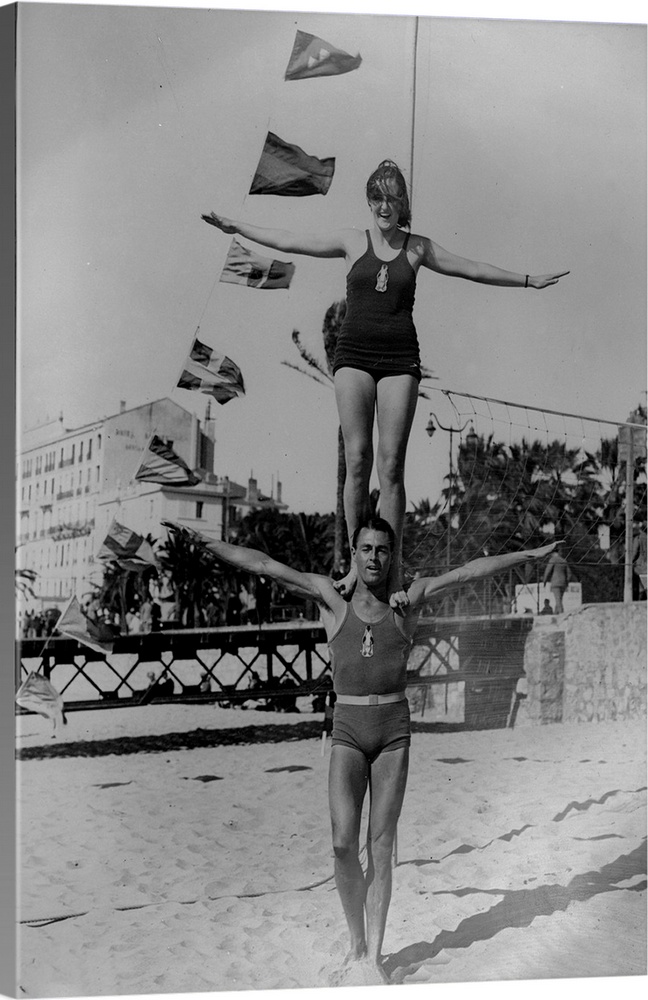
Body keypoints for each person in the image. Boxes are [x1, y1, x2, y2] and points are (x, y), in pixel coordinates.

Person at [163, 517, 558, 985]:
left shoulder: (406, 603)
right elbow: (266, 565)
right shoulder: (332, 600)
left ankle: (372, 956)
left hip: (393, 730)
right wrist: (203, 541)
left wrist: (529, 557)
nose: (374, 558)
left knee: (382, 844)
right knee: (341, 843)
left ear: (392, 557)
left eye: (383, 551)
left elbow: (469, 572)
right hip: (348, 728)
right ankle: (355, 943)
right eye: (366, 549)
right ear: (355, 553)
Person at [203, 160, 568, 594]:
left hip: (399, 360)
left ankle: (390, 565)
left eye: (393, 197)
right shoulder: (351, 241)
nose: (384, 205)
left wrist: (528, 280)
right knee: (357, 460)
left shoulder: (418, 248)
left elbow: (471, 268)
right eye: (377, 196)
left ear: (403, 204)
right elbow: (290, 240)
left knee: (391, 465)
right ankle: (359, 563)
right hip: (353, 357)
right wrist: (236, 227)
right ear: (368, 200)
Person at [542, 542, 570, 613]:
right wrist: (566, 582)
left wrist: (544, 581)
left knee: (558, 601)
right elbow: (569, 573)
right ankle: (556, 615)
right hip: (563, 583)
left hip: (555, 583)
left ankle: (561, 615)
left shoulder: (553, 559)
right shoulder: (564, 560)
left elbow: (547, 571)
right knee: (559, 599)